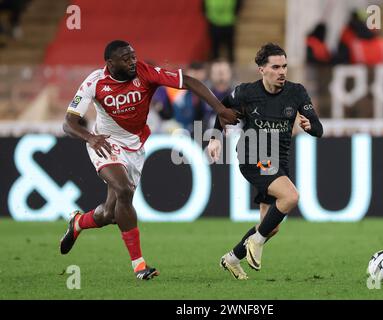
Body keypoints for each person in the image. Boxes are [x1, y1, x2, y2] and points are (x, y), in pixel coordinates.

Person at [59, 40, 239, 280]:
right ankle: (139, 265)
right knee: (123, 190)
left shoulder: (146, 72)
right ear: (110, 63)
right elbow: (68, 123)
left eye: (133, 56)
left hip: (135, 147)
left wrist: (219, 108)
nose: (133, 61)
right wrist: (90, 138)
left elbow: (190, 82)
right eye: (126, 58)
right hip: (104, 142)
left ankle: (79, 222)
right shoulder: (94, 82)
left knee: (110, 214)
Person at [207, 43, 323, 280]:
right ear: (261, 70)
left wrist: (311, 126)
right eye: (276, 67)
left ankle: (232, 258)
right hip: (253, 154)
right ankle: (256, 242)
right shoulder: (246, 93)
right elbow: (223, 109)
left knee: (272, 226)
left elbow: (318, 128)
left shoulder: (297, 92)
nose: (282, 71)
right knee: (291, 196)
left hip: (279, 160)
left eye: (285, 66)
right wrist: (215, 138)